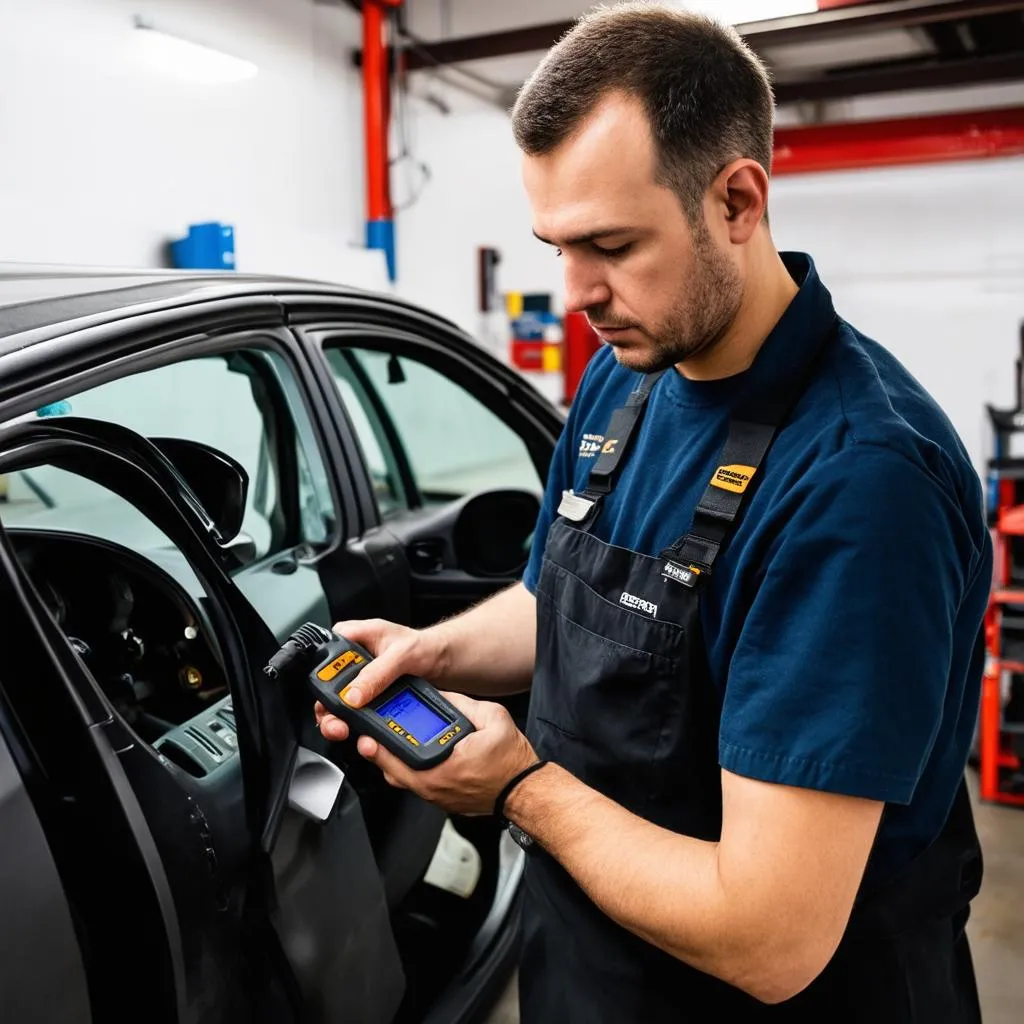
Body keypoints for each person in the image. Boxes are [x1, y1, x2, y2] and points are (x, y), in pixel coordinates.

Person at [316, 4, 990, 1020]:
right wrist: (432, 655)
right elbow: (567, 606)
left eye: (611, 245)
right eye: (556, 245)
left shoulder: (860, 484)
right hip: (592, 970)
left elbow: (768, 937)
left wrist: (515, 789)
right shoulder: (626, 373)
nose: (577, 290)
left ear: (736, 201)